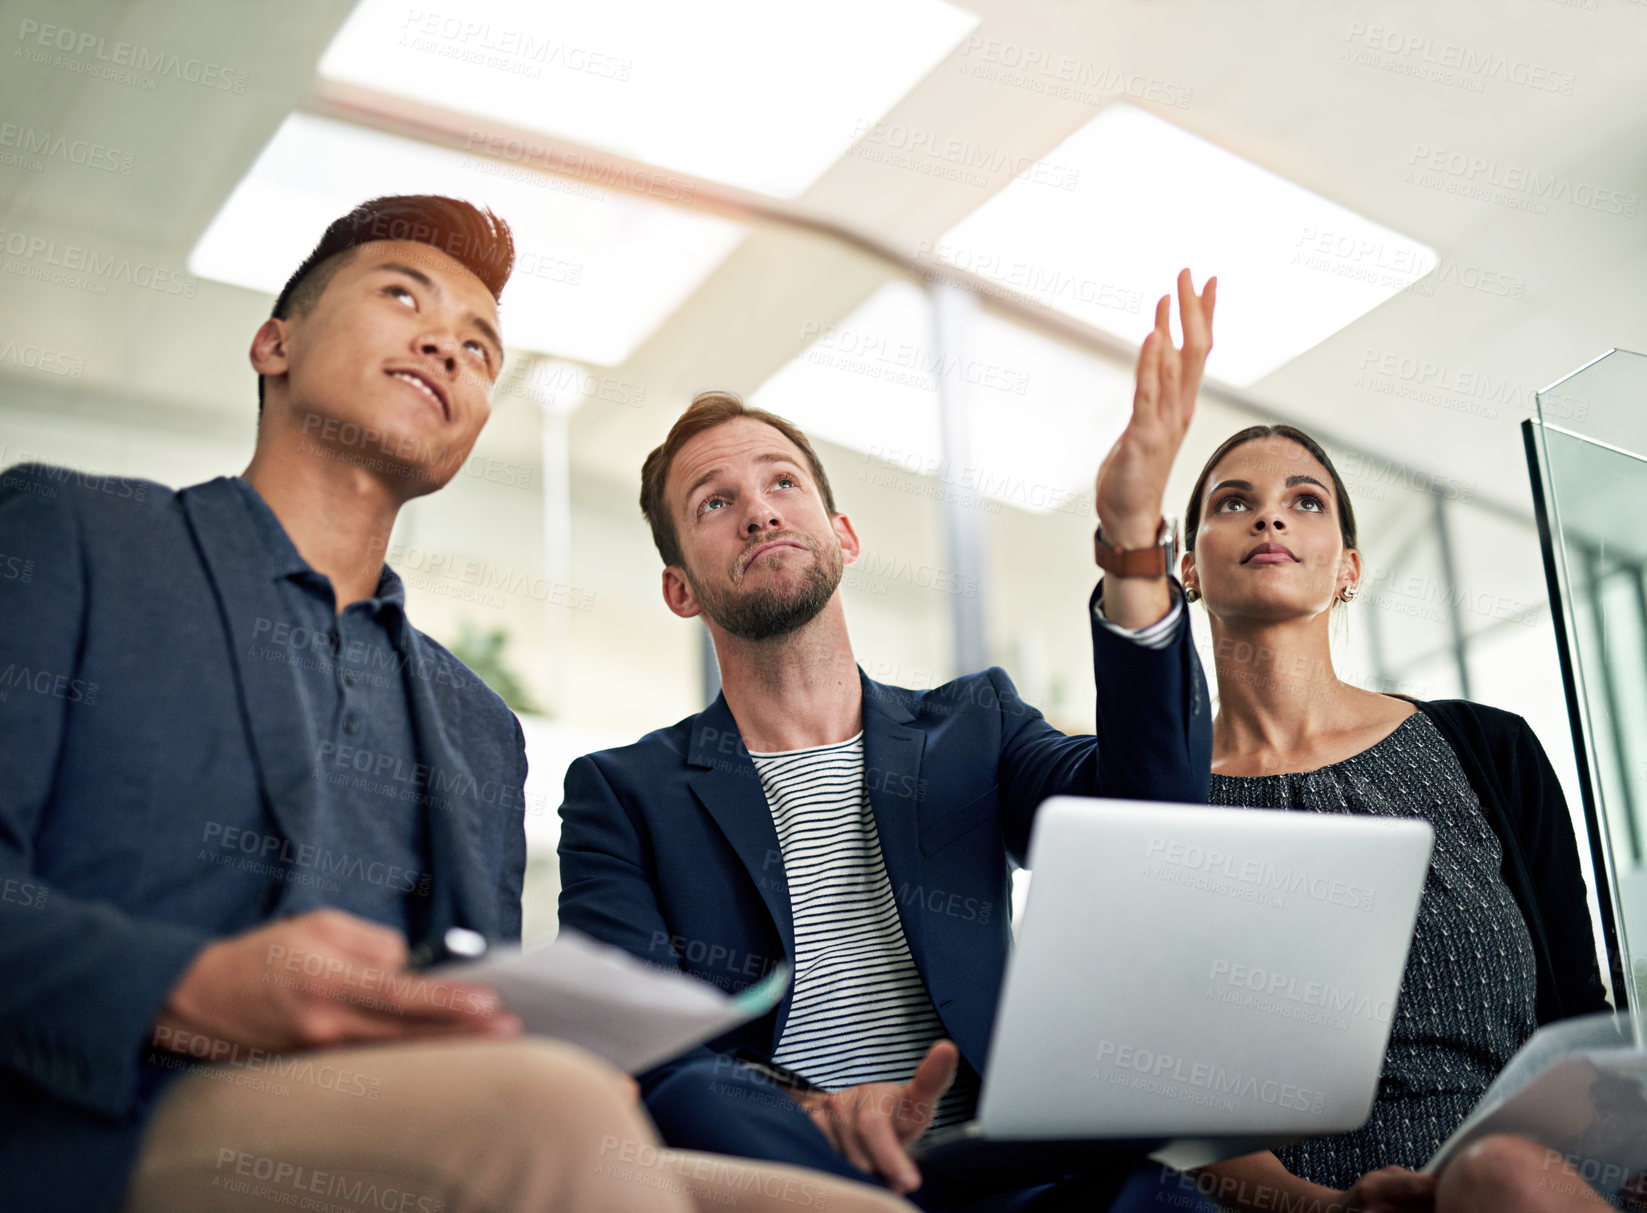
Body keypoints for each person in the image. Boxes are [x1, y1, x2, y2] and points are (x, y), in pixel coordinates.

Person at [0, 194, 913, 1213]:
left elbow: (474, 997)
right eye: (404, 297)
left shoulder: (478, 726)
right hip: (107, 1120)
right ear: (275, 342)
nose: (449, 345)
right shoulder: (71, 538)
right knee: (541, 1118)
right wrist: (185, 985)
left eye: (482, 349)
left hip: (432, 1114)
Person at [557, 272, 1221, 1210]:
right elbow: (633, 1047)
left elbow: (1151, 819)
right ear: (680, 588)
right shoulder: (623, 792)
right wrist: (814, 1112)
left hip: (1001, 1165)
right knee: (688, 1086)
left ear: (843, 533)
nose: (759, 510)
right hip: (784, 1168)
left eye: (782, 482)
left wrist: (1128, 540)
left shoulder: (972, 726)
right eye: (713, 503)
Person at [1175, 423, 1615, 1212]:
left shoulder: (1488, 749)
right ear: (1187, 568)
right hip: (1291, 1208)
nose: (1268, 518)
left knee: (1504, 1178)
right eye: (1233, 501)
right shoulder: (1159, 804)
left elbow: (1579, 1021)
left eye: (1303, 501)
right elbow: (1173, 1113)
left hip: (1524, 1186)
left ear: (1347, 567)